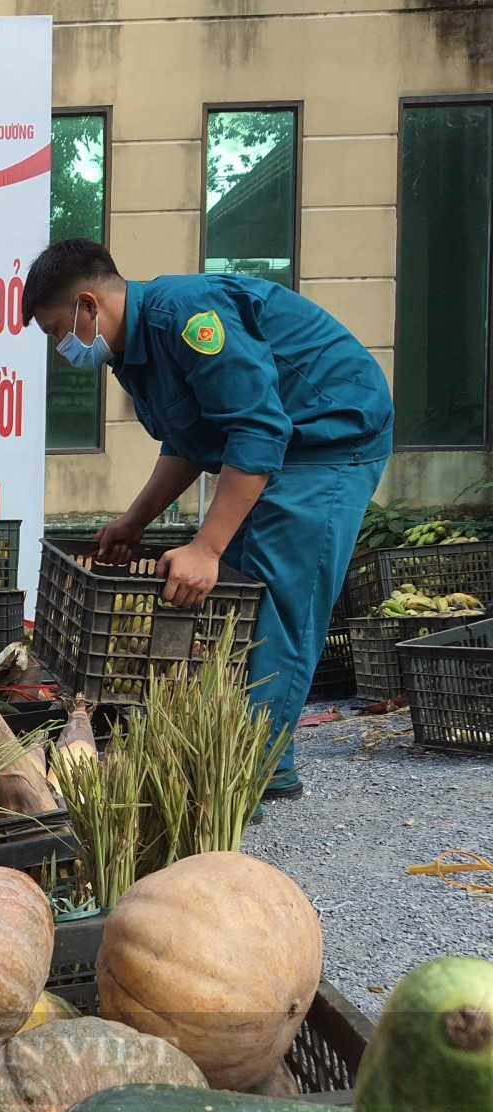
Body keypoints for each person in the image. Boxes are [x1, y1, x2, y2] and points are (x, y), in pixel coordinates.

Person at [21, 238, 393, 804]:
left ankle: (258, 770)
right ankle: (224, 747)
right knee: (232, 597)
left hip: (329, 434)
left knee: (271, 593)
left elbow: (259, 429)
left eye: (55, 330)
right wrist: (134, 521)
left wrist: (206, 547)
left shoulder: (190, 316)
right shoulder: (132, 353)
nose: (60, 347)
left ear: (89, 306)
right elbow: (190, 441)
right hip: (274, 442)